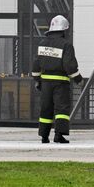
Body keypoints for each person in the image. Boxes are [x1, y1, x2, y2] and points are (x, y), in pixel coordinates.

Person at [32, 15, 83, 144]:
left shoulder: (42, 43)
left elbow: (37, 63)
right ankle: (59, 135)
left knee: (46, 108)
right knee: (61, 110)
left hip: (45, 83)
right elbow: (69, 65)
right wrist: (78, 79)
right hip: (61, 83)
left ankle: (44, 136)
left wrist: (37, 79)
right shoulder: (66, 45)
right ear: (64, 30)